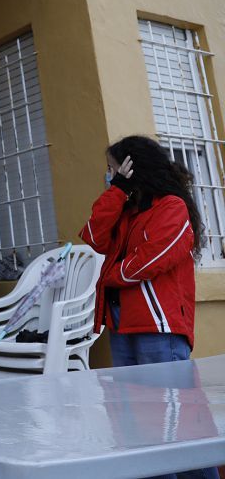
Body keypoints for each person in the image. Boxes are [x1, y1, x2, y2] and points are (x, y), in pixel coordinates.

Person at [81, 135, 218, 479]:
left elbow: (149, 260)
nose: (108, 175)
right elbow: (95, 236)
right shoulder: (125, 211)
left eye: (113, 169)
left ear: (132, 167)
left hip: (159, 329)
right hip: (122, 325)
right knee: (138, 424)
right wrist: (117, 191)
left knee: (175, 421)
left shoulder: (171, 207)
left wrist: (109, 275)